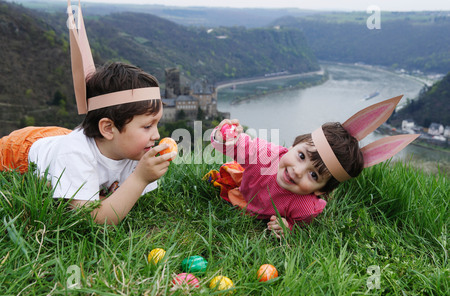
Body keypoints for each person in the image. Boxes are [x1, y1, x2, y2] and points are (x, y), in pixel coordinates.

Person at [0, 62, 176, 225]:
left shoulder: (133, 149)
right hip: (19, 150)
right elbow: (92, 219)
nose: (157, 135)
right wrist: (140, 178)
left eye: (157, 124)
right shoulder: (75, 153)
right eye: (147, 126)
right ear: (108, 128)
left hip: (64, 138)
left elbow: (126, 199)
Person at [206, 118, 364, 237]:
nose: (298, 171)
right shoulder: (265, 155)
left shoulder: (305, 206)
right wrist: (224, 138)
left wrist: (288, 227)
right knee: (233, 169)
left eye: (313, 175)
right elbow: (239, 146)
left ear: (320, 190)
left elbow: (299, 224)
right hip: (246, 189)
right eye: (301, 156)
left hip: (261, 205)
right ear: (292, 147)